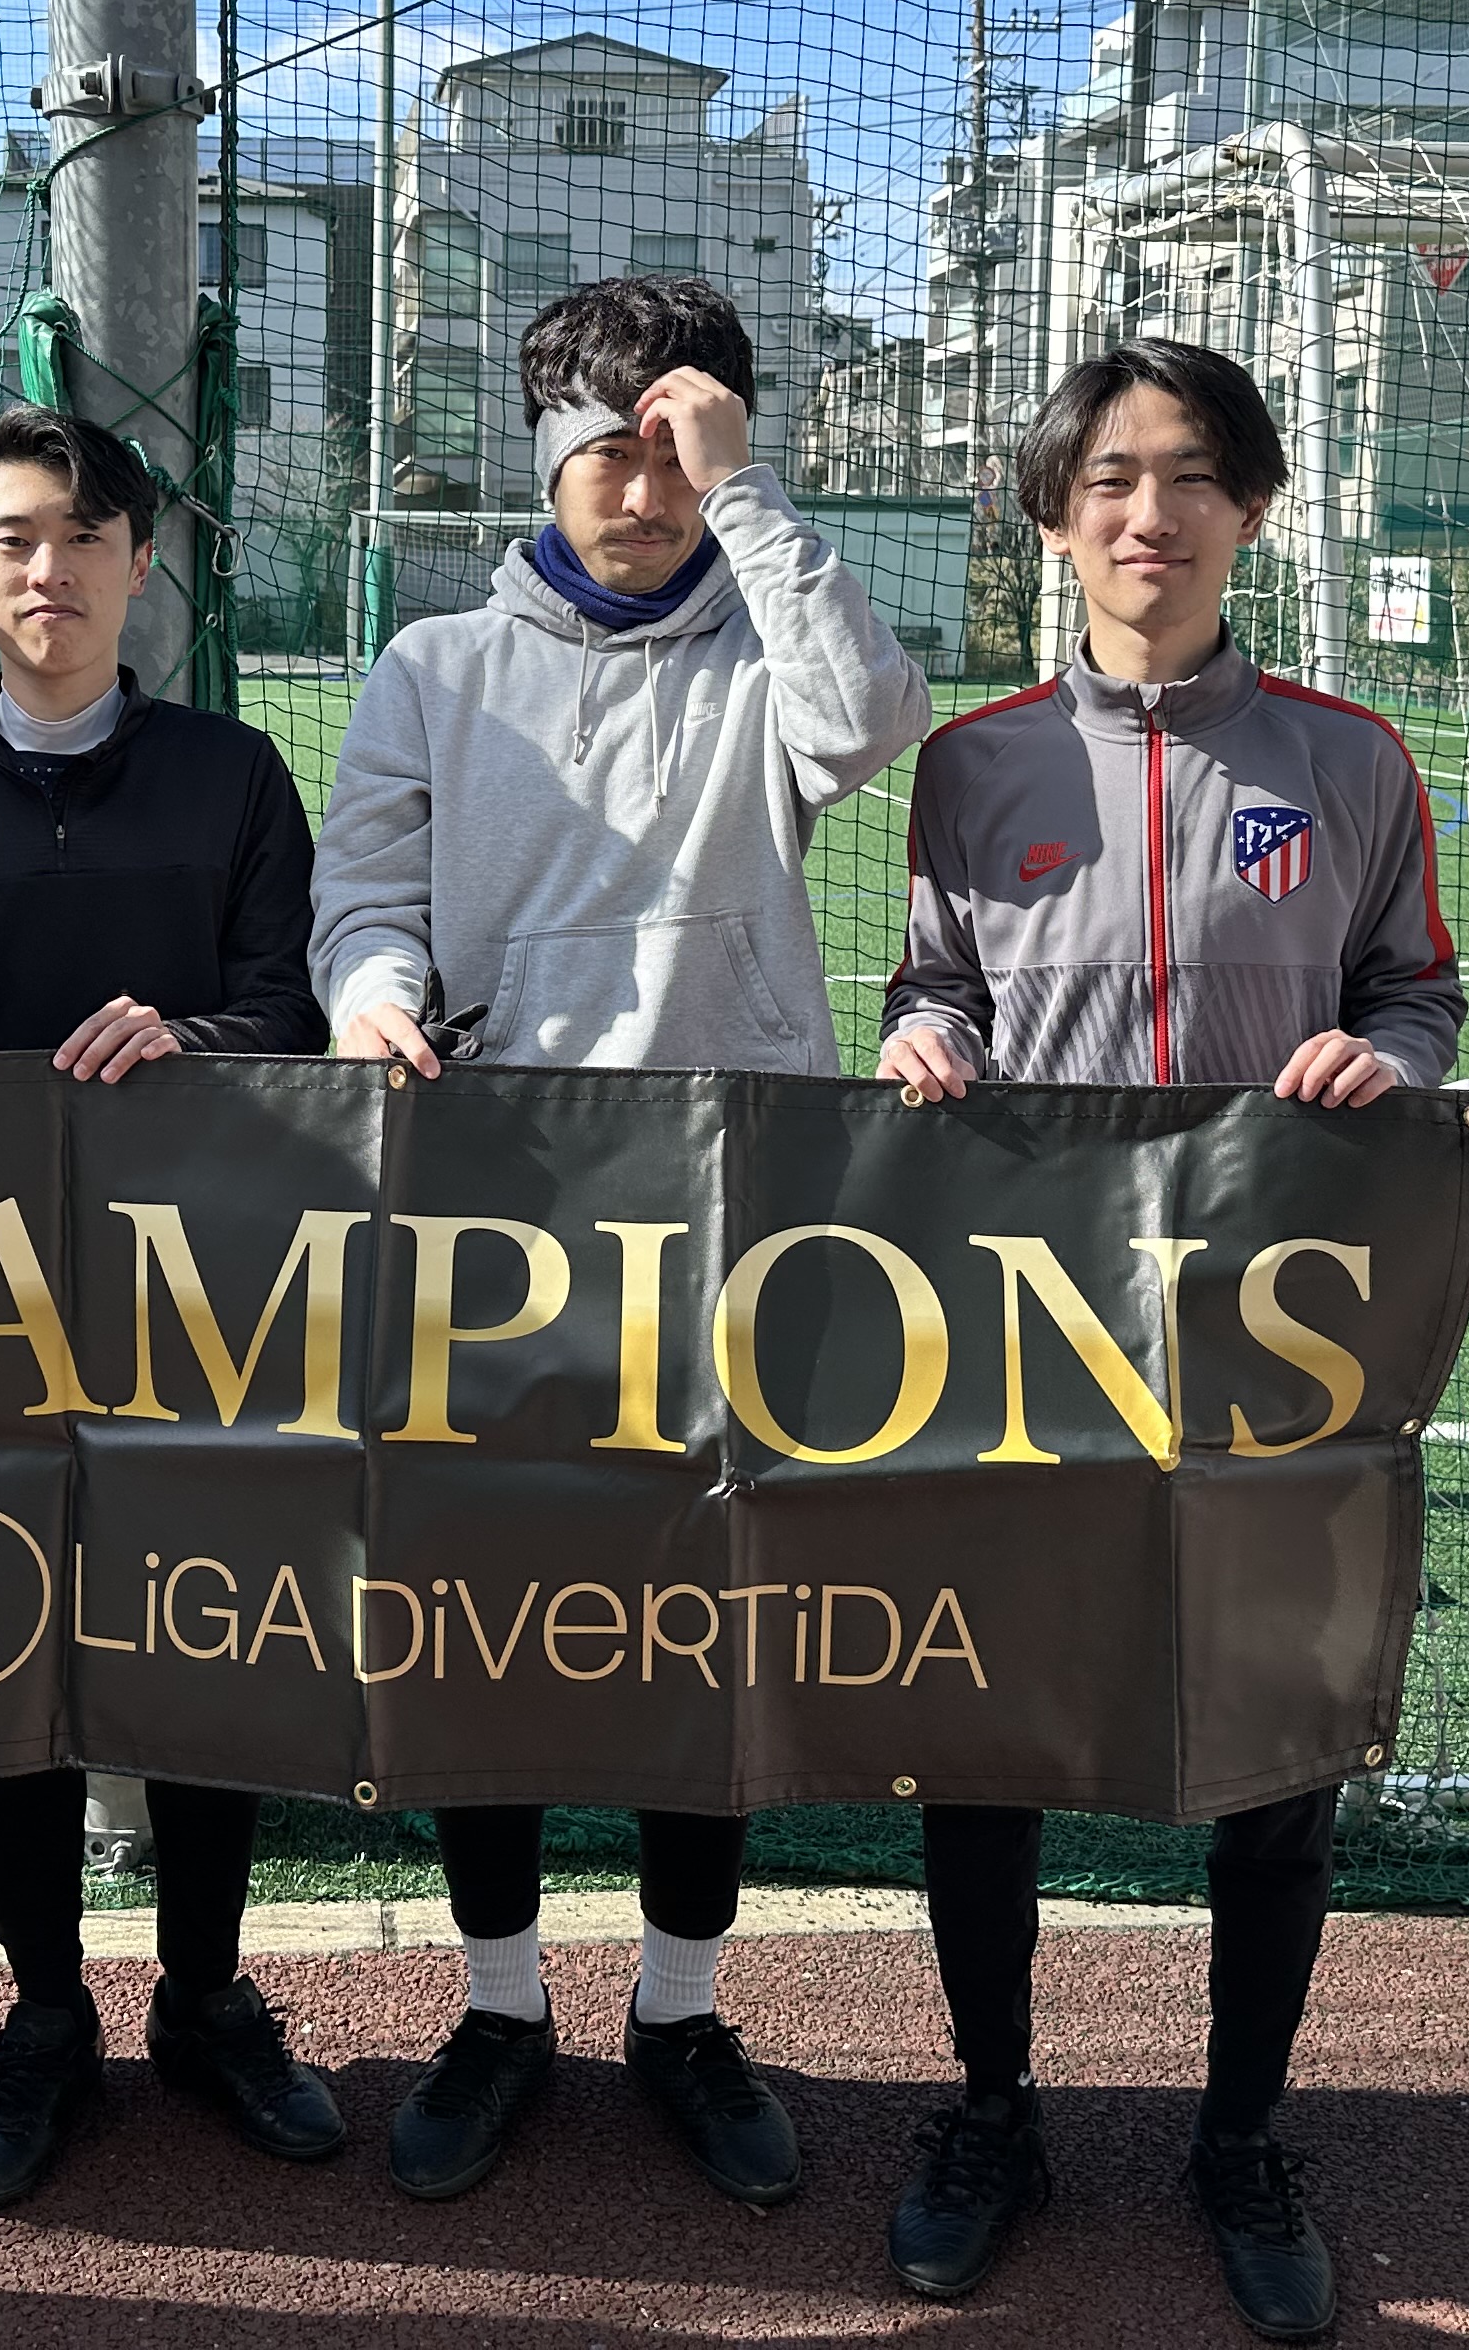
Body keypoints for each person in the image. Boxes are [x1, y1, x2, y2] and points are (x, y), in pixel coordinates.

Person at [311, 272, 932, 2209]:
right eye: (613, 451)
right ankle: (501, 2008)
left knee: (707, 1630)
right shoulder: (435, 665)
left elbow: (875, 717)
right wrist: (374, 993)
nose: (645, 492)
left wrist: (749, 496)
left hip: (741, 1214)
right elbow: (363, 895)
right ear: (545, 452)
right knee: (486, 1632)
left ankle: (681, 2010)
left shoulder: (772, 644)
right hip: (497, 1216)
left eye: (682, 455)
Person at [872, 338, 1461, 2332]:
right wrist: (925, 1036)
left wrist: (1385, 1061)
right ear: (1055, 518)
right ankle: (991, 2108)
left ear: (1252, 511)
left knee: (1271, 1755)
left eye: (1192, 475)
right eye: (1111, 479)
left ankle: (1241, 2133)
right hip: (1021, 1334)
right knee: (986, 1739)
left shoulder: (1350, 761)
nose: (1151, 513)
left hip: (1264, 1337)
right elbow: (934, 982)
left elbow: (1414, 995)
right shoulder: (977, 764)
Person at [0, 400, 333, 2208]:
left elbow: (290, 1012)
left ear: (139, 562)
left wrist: (190, 1036)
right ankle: (42, 2009)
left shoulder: (233, 777)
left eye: (88, 536)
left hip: (204, 1300)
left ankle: (203, 1994)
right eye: (15, 539)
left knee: (205, 1647)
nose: (52, 569)